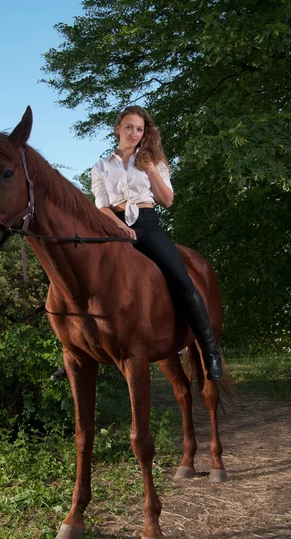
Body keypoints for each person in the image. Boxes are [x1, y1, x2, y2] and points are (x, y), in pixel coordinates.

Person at [50, 105, 222, 382]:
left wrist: (151, 170)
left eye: (139, 129)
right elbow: (101, 206)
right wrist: (118, 226)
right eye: (129, 127)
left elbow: (167, 200)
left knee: (181, 278)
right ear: (117, 128)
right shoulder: (101, 167)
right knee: (76, 273)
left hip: (147, 226)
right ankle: (75, 348)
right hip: (113, 227)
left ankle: (210, 350)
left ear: (145, 133)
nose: (134, 133)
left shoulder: (154, 161)